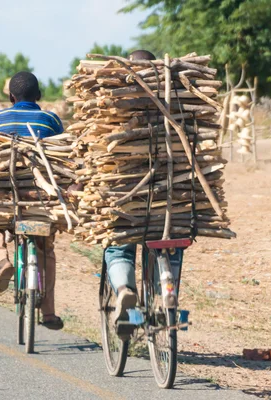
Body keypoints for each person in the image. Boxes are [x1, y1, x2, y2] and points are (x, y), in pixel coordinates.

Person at [0, 71, 64, 330]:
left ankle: (2, 260)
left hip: (5, 196)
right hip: (40, 199)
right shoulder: (50, 119)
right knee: (46, 248)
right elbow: (63, 160)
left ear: (10, 96)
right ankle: (48, 313)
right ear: (39, 96)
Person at [105, 50, 185, 324]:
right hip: (171, 200)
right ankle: (166, 290)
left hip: (128, 201)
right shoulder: (180, 103)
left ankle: (125, 290)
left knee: (118, 246)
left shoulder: (116, 104)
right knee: (170, 244)